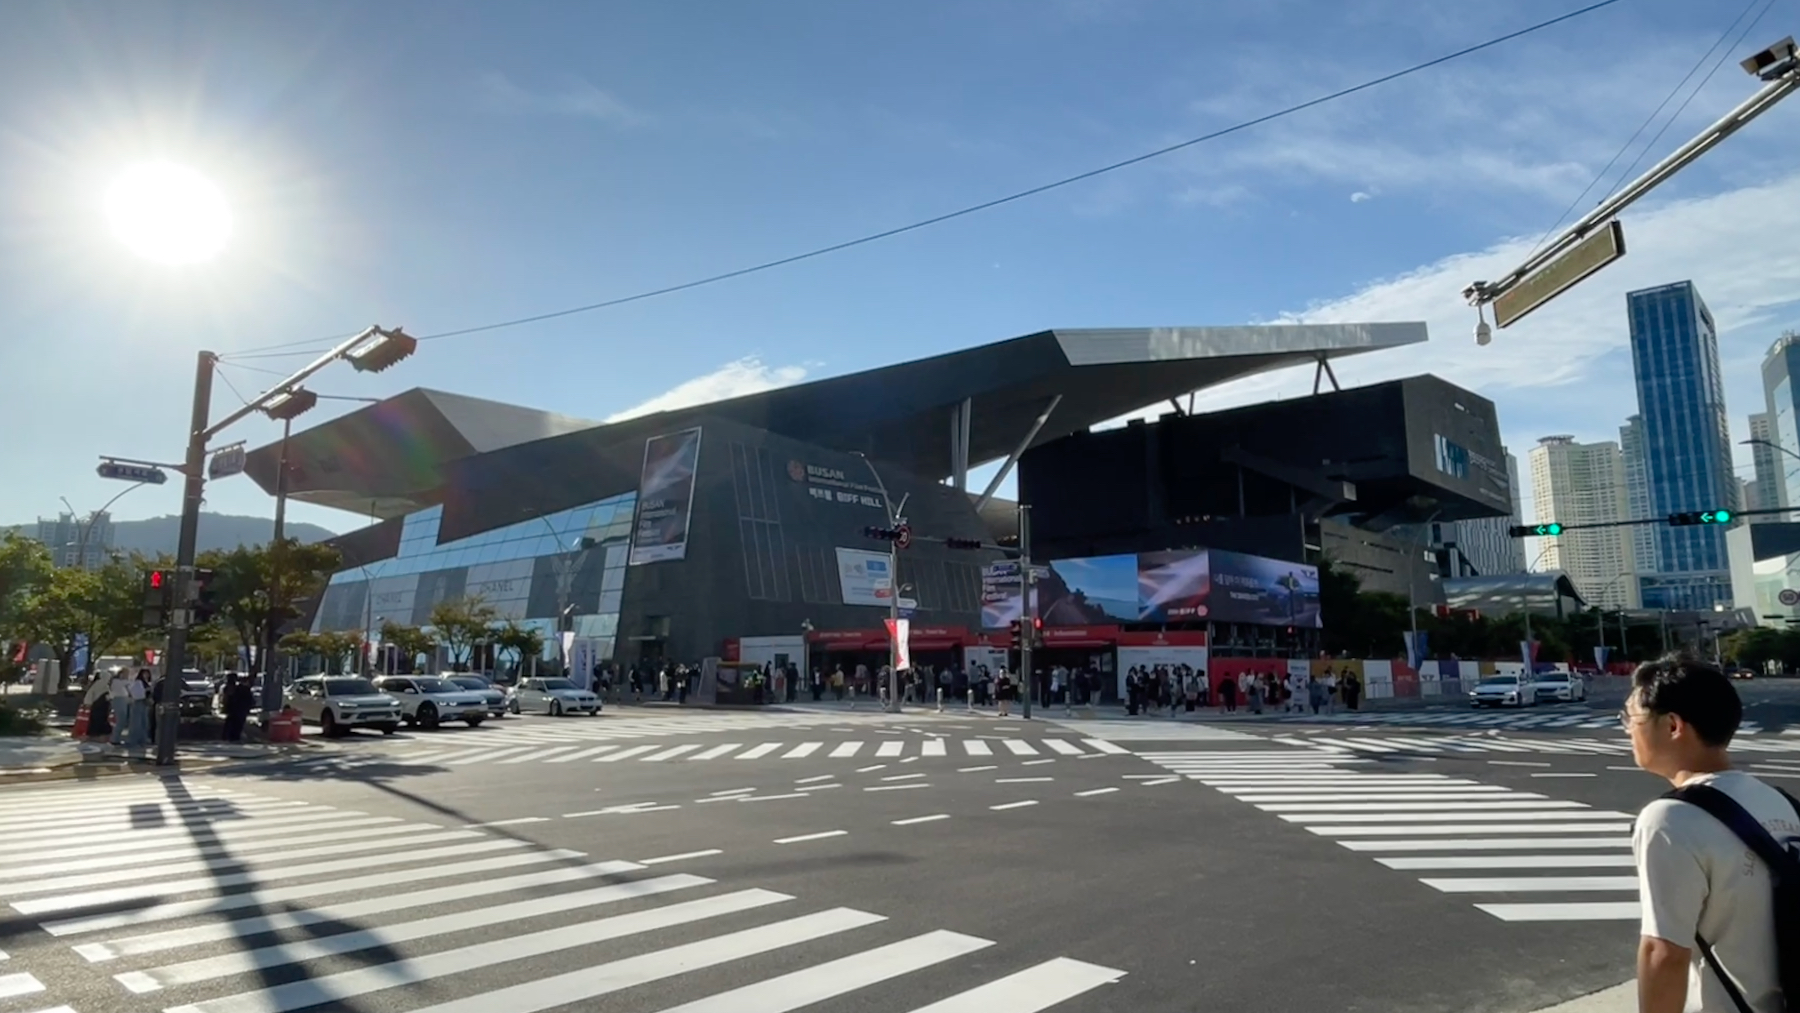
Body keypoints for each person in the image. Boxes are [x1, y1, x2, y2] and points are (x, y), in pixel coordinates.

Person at [1630, 653, 1798, 1013]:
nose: (1628, 729)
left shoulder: (1670, 819)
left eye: (1631, 718)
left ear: (1673, 725)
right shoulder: (1780, 801)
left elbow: (1664, 953)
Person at [222, 674, 255, 742]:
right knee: (235, 724)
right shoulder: (242, 688)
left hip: (238, 710)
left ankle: (232, 737)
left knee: (234, 724)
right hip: (238, 710)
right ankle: (232, 737)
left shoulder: (241, 689)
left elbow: (226, 699)